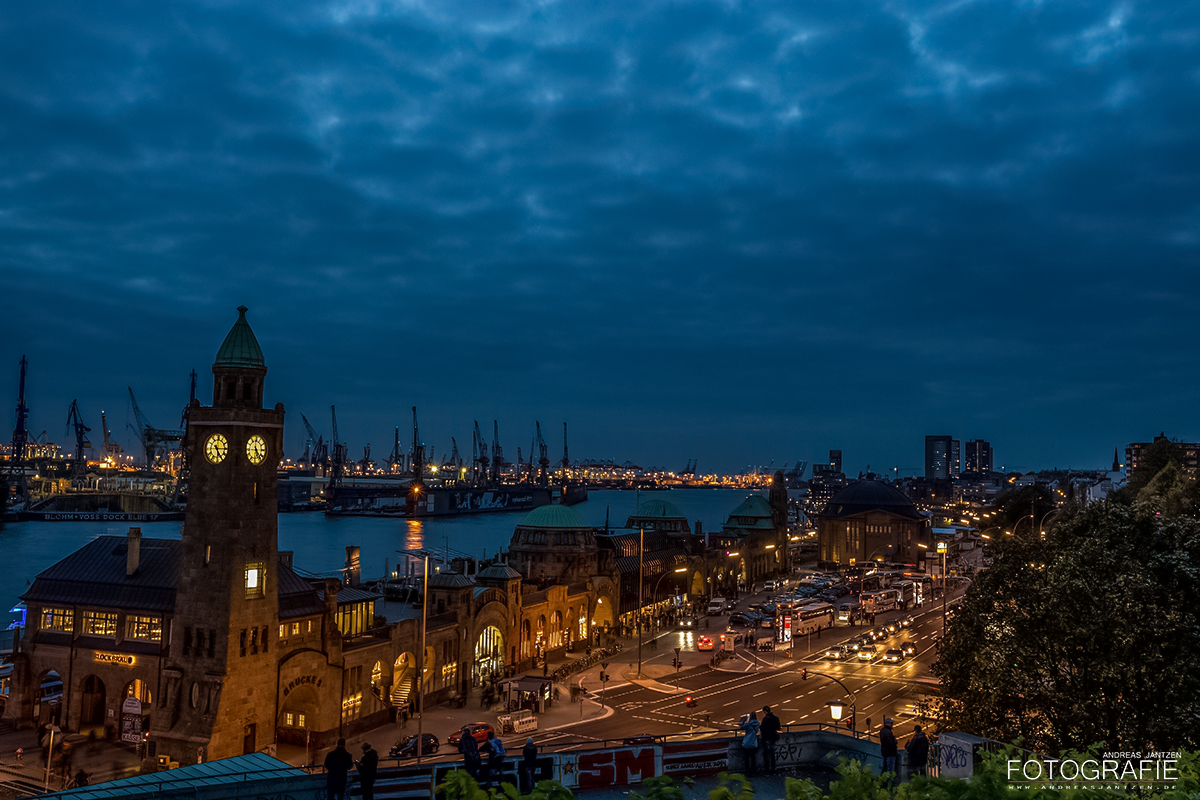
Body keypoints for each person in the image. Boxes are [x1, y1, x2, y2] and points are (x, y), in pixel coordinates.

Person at [760, 705, 781, 774]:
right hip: (773, 738)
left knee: (767, 755)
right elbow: (778, 727)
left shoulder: (765, 719)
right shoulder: (775, 718)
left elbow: (762, 729)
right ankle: (773, 768)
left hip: (766, 738)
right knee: (772, 754)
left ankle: (767, 770)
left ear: (765, 712)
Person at [739, 711, 760, 776]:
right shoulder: (757, 724)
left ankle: (747, 771)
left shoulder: (748, 724)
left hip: (747, 742)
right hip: (754, 742)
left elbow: (741, 727)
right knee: (753, 758)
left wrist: (743, 720)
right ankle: (753, 771)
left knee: (747, 758)